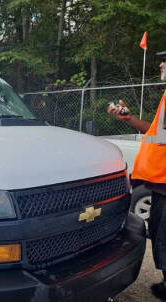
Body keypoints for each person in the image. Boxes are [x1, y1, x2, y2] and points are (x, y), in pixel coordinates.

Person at [107, 50, 166, 300]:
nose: (162, 63)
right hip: (160, 183)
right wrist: (130, 119)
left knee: (163, 234)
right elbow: (156, 132)